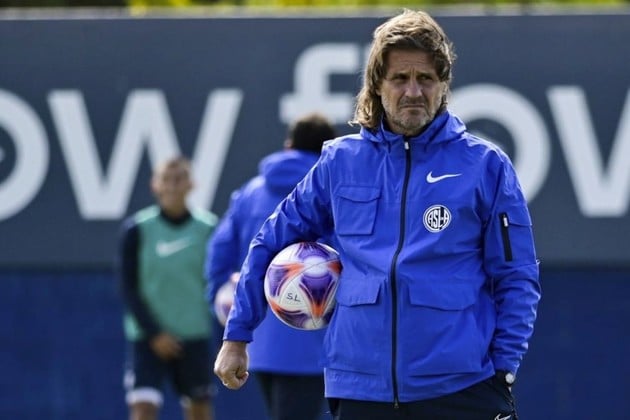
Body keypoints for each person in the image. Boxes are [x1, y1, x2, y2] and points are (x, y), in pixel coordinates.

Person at [214, 8, 541, 420]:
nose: (413, 91)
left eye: (425, 78)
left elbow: (516, 276)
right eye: (399, 78)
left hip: (461, 387)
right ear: (377, 85)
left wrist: (503, 369)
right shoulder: (339, 162)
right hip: (360, 389)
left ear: (443, 85)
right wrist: (238, 334)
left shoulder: (486, 166)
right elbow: (270, 241)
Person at [205, 113, 337, 420]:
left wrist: (225, 307)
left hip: (258, 342)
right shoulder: (333, 189)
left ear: (288, 145)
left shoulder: (250, 192)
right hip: (316, 342)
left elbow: (218, 254)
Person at [117, 156, 218, 420]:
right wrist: (155, 333)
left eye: (179, 179)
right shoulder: (137, 229)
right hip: (147, 339)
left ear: (191, 184)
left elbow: (218, 282)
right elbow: (128, 287)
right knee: (143, 410)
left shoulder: (208, 229)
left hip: (193, 336)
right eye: (166, 179)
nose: (172, 186)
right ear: (155, 185)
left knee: (199, 411)